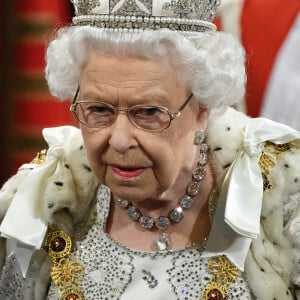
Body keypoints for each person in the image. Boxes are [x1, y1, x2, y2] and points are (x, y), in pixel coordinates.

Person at [0, 0, 300, 299]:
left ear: (203, 107)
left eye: (147, 113)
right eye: (99, 110)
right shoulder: (38, 206)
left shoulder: (283, 200)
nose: (118, 140)